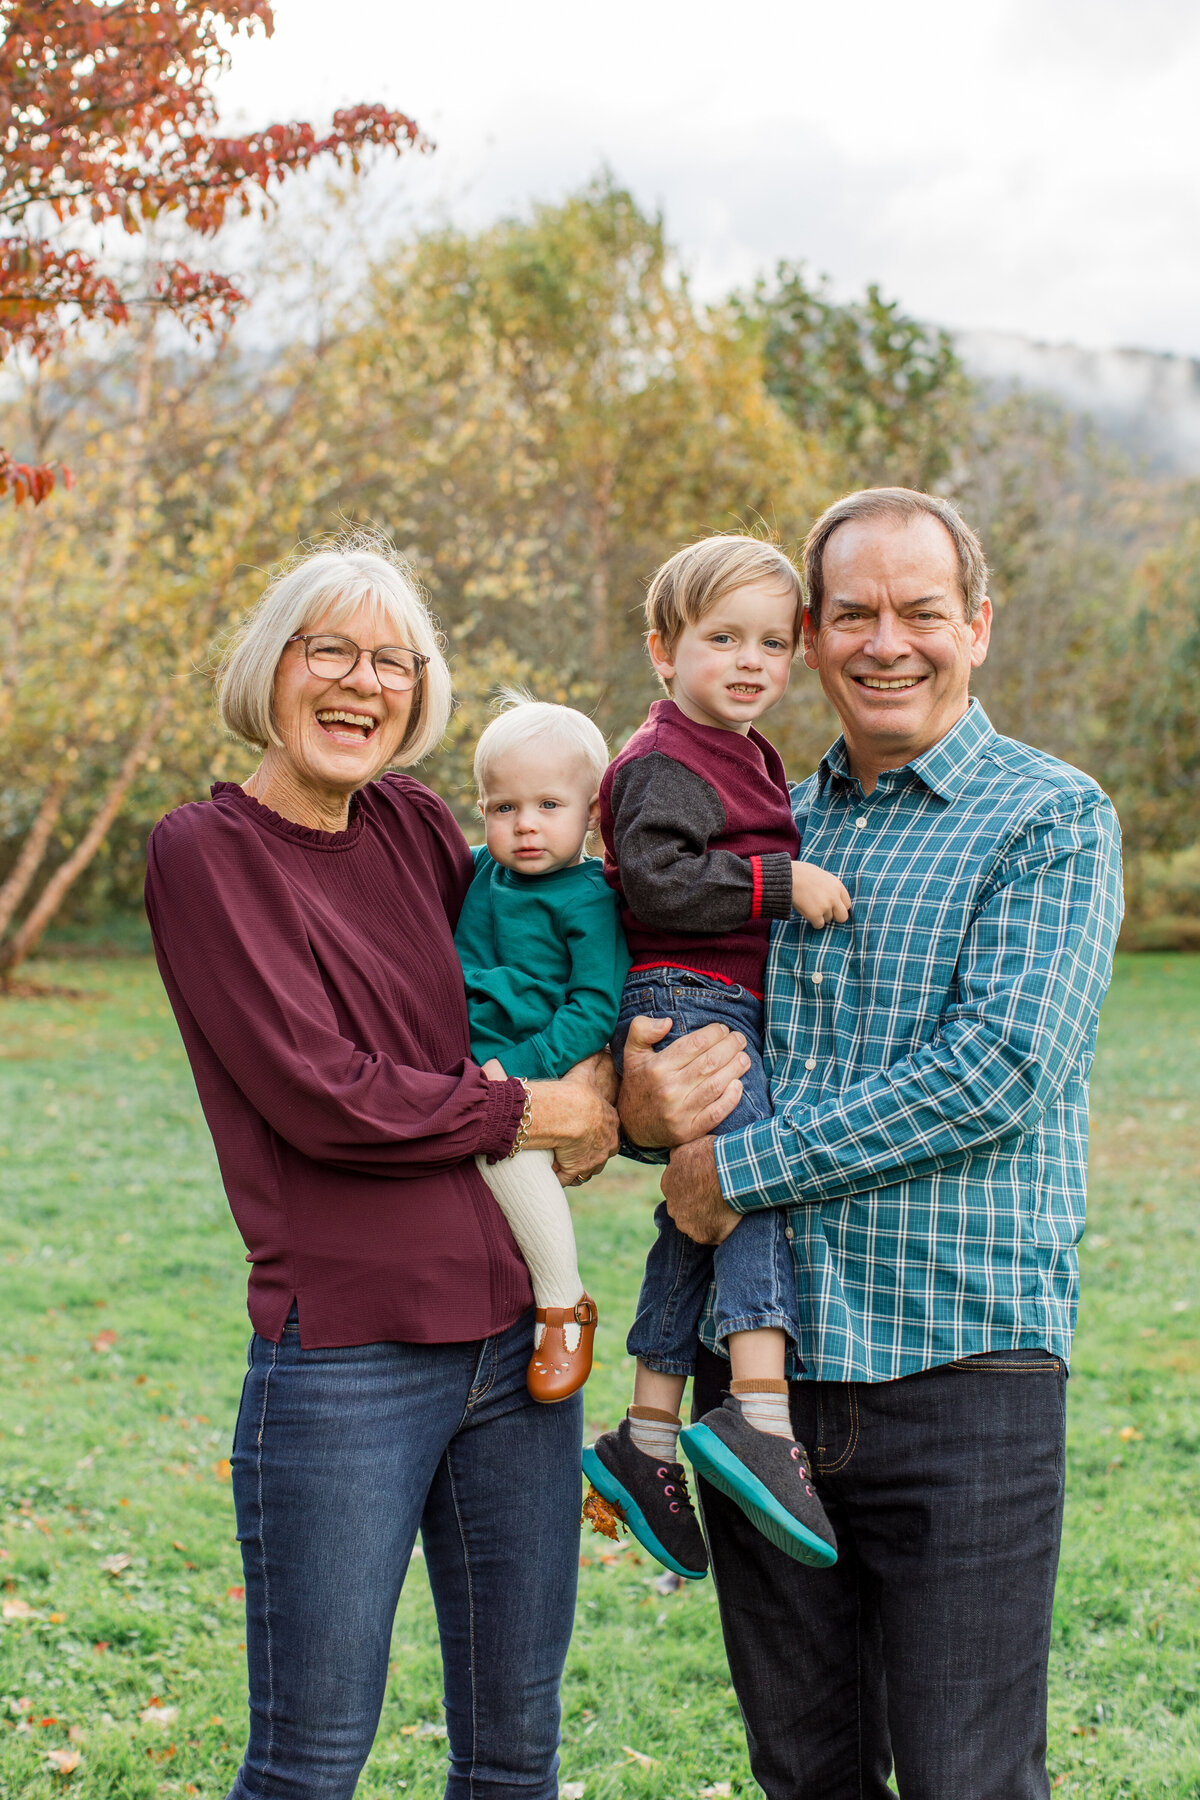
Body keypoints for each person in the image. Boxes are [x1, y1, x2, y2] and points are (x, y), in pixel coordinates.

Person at [616, 489, 1123, 1800]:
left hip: (962, 1375)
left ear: (980, 627)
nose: (886, 642)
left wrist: (738, 1169)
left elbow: (998, 1075)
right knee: (807, 1774)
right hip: (762, 1396)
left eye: (921, 612)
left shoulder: (1048, 819)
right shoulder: (768, 823)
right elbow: (680, 1026)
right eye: (851, 615)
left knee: (968, 1778)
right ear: (809, 637)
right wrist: (639, 1104)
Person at [144, 531, 618, 1800]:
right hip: (349, 1355)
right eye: (332, 651)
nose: (363, 683)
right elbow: (323, 1094)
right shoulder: (207, 852)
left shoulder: (414, 823)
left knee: (516, 1757)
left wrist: (615, 1070)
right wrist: (527, 1108)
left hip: (520, 1347)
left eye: (393, 662)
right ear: (272, 667)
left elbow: (523, 970)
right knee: (309, 1764)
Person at [581, 536, 847, 1582]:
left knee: (694, 1212)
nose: (750, 661)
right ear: (663, 650)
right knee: (749, 1189)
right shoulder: (664, 759)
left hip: (716, 997)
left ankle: (646, 1439)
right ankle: (758, 1415)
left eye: (773, 643)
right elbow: (654, 884)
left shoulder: (744, 751)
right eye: (721, 638)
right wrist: (780, 885)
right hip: (689, 999)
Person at [454, 696, 630, 1402]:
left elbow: (593, 1010)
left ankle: (564, 1303)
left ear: (591, 811)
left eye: (549, 805)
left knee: (508, 1154)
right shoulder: (479, 874)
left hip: (530, 1065)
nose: (525, 824)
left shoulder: (589, 897)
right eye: (504, 808)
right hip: (462, 1057)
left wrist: (519, 1072)